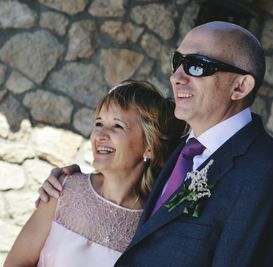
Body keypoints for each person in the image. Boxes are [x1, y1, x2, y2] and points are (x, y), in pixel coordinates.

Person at [36, 21, 273, 267]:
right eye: (178, 61)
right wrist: (70, 182)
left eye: (197, 65)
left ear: (240, 87)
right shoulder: (177, 148)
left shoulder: (267, 173)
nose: (177, 76)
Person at [4, 80, 187, 267]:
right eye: (98, 123)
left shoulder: (150, 223)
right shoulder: (62, 190)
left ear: (149, 146)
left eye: (117, 126)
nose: (100, 135)